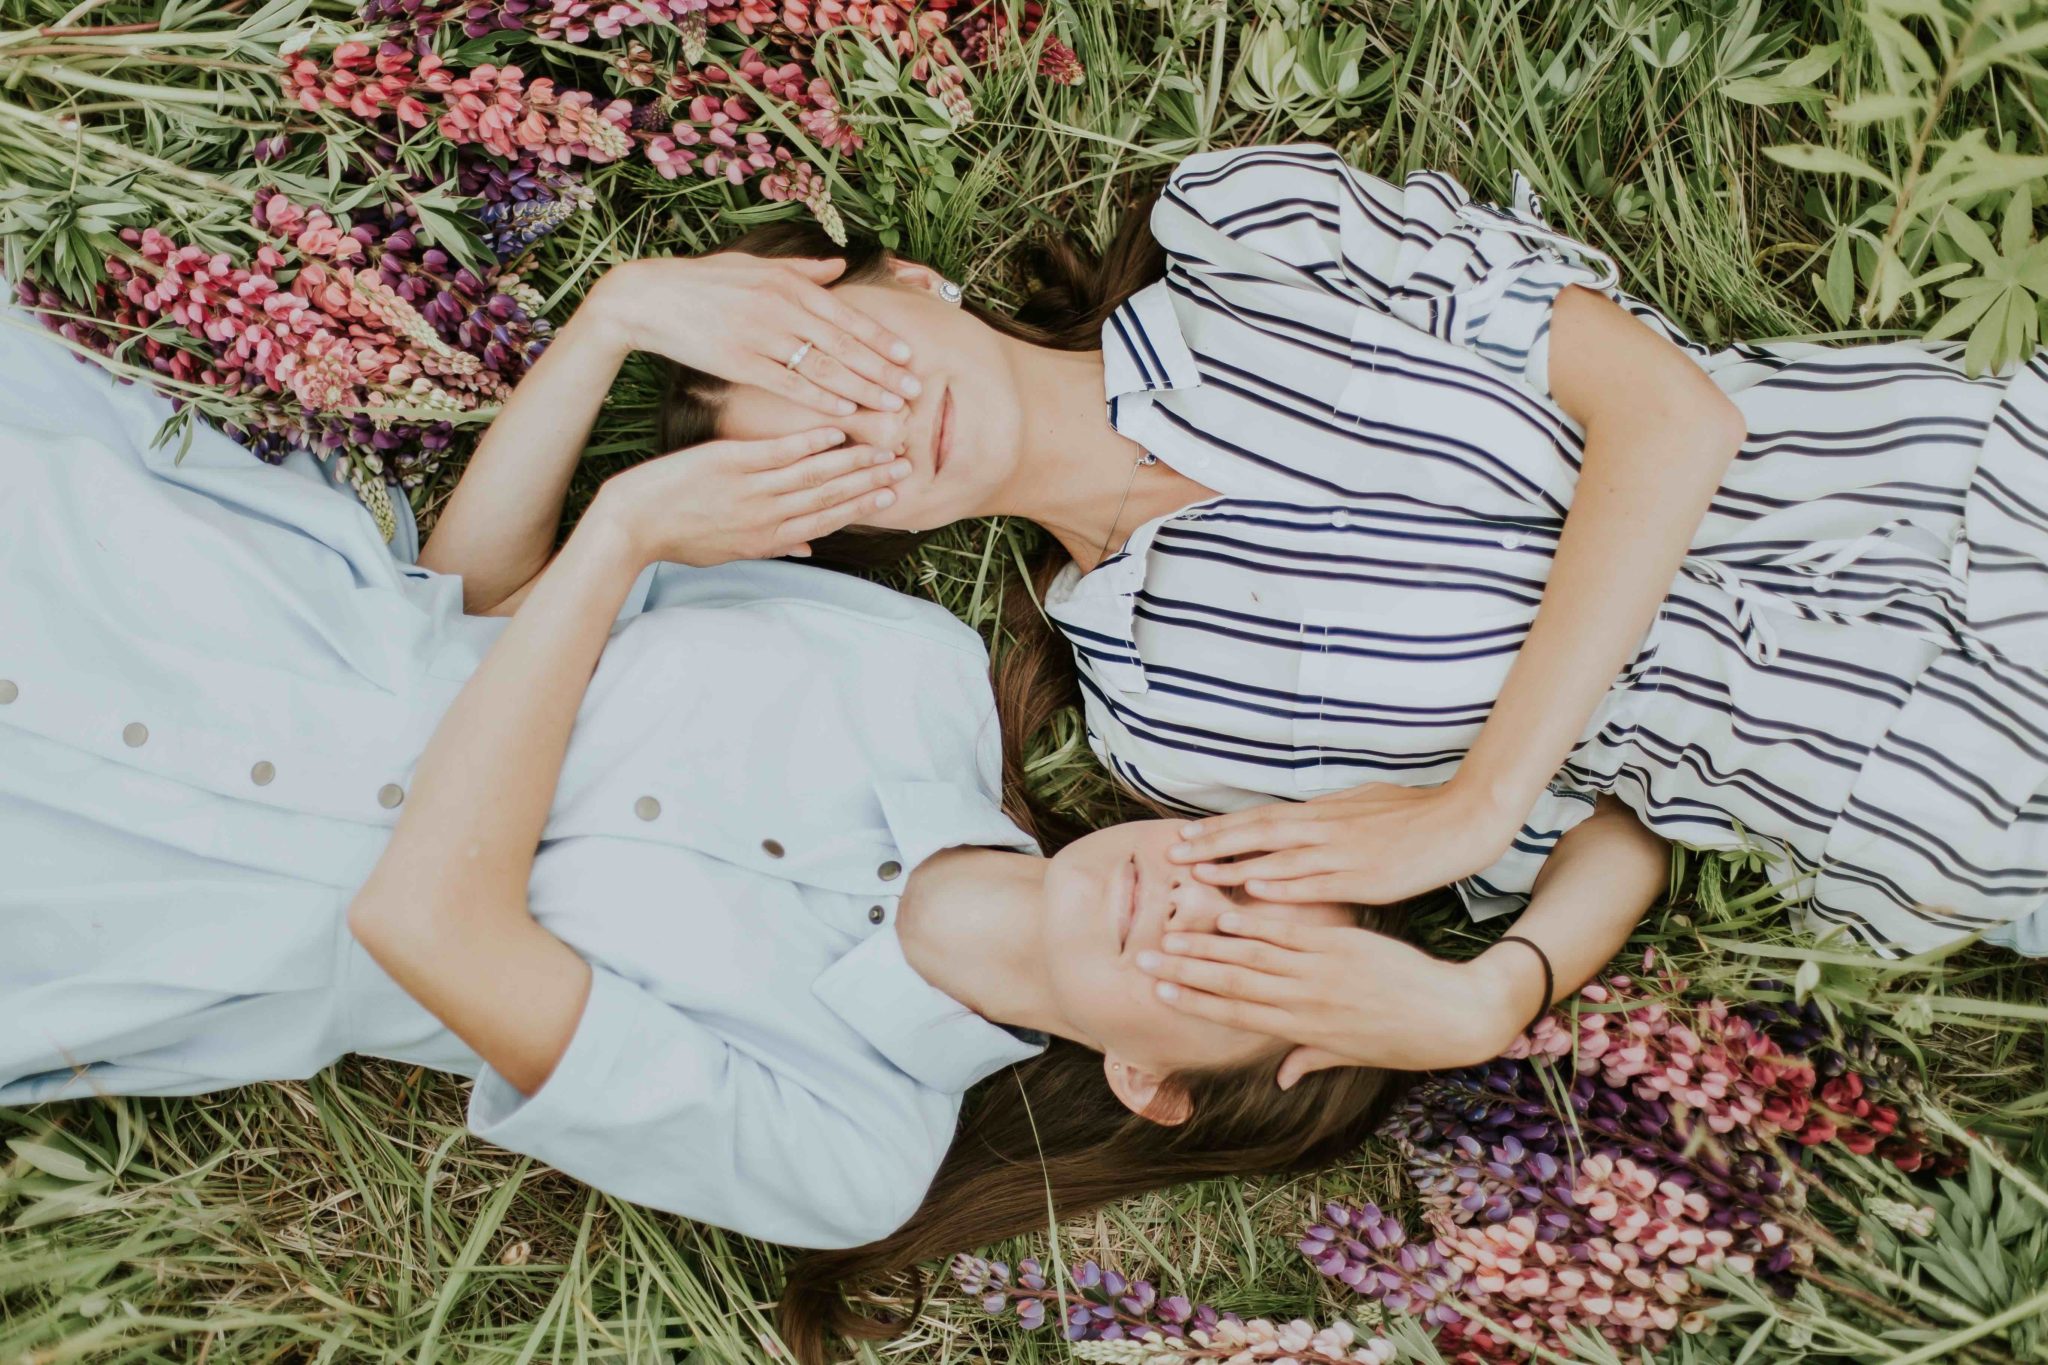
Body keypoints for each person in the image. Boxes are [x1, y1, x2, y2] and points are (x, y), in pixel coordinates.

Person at [0, 270, 1404, 1365]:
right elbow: (473, 621)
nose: (1188, 903)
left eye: (1224, 965)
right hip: (194, 608)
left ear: (1148, 1083)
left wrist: (619, 539)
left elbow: (424, 923)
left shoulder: (853, 1148)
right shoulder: (909, 669)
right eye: (1250, 874)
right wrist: (611, 325)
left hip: (137, 899)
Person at [659, 140, 2048, 1081]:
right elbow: (1617, 825)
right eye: (827, 455)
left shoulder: (1249, 234)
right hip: (1915, 794)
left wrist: (1476, 800)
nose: (882, 423)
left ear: (907, 280)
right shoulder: (1164, 729)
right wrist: (1493, 991)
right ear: (843, 526)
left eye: (847, 362)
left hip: (1950, 479)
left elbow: (1672, 415)